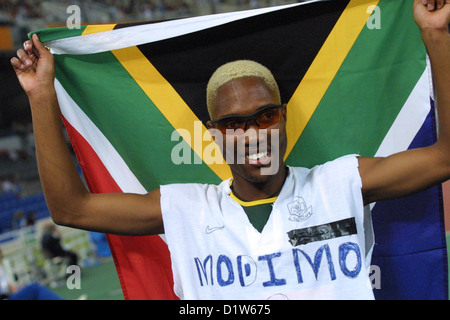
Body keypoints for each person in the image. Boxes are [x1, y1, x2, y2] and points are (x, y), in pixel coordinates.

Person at [10, 0, 449, 299]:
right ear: (212, 134)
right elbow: (72, 209)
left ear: (283, 118)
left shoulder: (339, 182)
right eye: (234, 125)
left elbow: (444, 157)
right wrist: (41, 95)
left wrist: (435, 36)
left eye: (264, 116)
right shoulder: (186, 209)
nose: (253, 134)